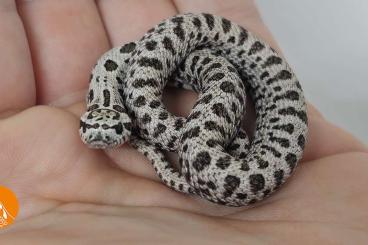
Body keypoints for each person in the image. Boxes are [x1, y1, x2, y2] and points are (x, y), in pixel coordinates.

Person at [0, 0, 367, 243]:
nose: (101, 137)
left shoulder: (142, 94)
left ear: (125, 124)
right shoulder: (115, 74)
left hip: (254, 115)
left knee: (221, 84)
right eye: (94, 131)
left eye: (111, 131)